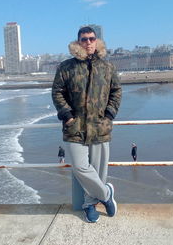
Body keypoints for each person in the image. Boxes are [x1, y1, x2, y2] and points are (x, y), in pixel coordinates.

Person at [52, 26, 122, 223]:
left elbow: (116, 91)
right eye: (84, 39)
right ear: (78, 42)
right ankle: (106, 194)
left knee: (99, 169)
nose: (88, 42)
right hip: (74, 126)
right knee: (80, 166)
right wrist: (67, 115)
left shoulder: (108, 67)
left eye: (92, 39)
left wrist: (109, 113)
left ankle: (90, 203)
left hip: (100, 125)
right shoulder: (66, 67)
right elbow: (57, 92)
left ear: (97, 41)